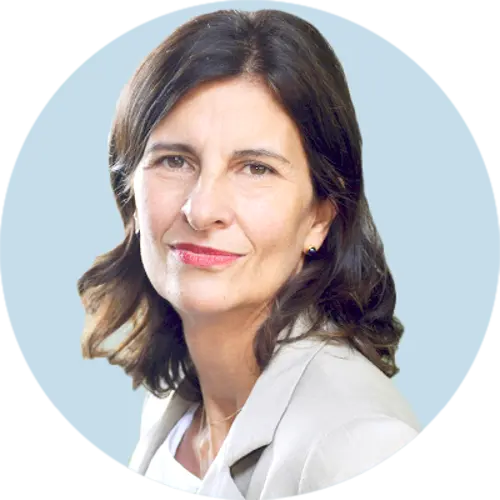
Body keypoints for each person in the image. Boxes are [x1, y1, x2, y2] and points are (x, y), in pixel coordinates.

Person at [77, 8, 420, 497]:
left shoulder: (360, 444)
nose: (202, 210)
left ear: (320, 216)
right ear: (129, 193)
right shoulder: (173, 410)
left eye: (256, 168)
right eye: (174, 161)